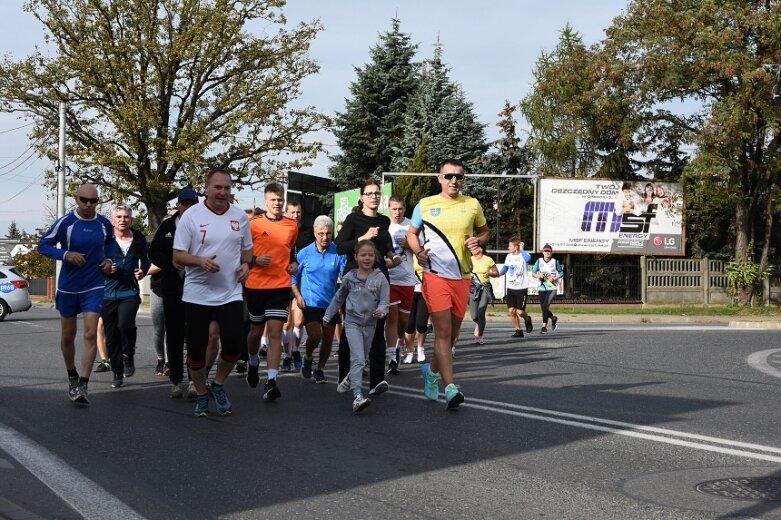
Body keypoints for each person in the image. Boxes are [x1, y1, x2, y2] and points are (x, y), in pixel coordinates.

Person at [406, 159, 489, 410]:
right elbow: (411, 233)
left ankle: (430, 372)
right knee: (442, 332)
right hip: (435, 277)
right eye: (449, 176)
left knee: (451, 335)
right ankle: (451, 387)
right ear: (439, 178)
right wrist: (418, 251)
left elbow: (485, 232)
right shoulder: (426, 204)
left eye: (459, 177)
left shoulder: (472, 204)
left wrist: (478, 241)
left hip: (462, 277)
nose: (454, 180)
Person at [172, 170, 253, 416]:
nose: (223, 193)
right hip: (197, 294)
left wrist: (246, 265)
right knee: (196, 350)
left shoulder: (240, 216)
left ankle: (217, 384)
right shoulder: (192, 216)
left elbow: (247, 249)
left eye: (227, 188)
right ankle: (201, 393)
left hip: (229, 292)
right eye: (218, 187)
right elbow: (177, 256)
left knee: (233, 346)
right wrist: (199, 261)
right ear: (206, 189)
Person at [38, 183, 114, 404]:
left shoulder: (103, 224)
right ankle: (72, 374)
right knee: (68, 335)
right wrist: (66, 254)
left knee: (91, 333)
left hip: (94, 284)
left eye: (93, 201)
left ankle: (83, 384)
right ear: (76, 199)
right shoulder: (66, 223)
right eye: (84, 200)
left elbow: (110, 243)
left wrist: (109, 260)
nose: (89, 205)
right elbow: (43, 245)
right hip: (69, 287)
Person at [335, 180, 401, 397]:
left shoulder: (383, 220)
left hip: (378, 279)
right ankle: (345, 374)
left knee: (377, 329)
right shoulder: (354, 219)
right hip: (355, 281)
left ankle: (377, 380)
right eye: (369, 193)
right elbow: (340, 247)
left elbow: (387, 246)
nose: (374, 197)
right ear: (362, 197)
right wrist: (364, 237)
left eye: (377, 193)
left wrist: (394, 256)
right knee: (351, 329)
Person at [244, 182, 298, 401]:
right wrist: (256, 260)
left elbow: (290, 250)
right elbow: (242, 253)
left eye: (280, 199)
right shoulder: (253, 225)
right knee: (256, 332)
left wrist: (293, 262)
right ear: (265, 201)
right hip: (256, 285)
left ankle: (272, 381)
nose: (277, 203)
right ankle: (253, 360)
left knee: (275, 331)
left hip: (280, 285)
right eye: (273, 200)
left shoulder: (291, 225)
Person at [323, 240, 389, 413]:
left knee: (363, 358)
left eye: (370, 255)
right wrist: (328, 315)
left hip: (370, 324)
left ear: (375, 257)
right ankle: (357, 396)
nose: (367, 258)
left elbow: (385, 301)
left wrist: (381, 311)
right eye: (363, 255)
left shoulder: (380, 278)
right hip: (352, 322)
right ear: (356, 257)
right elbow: (339, 298)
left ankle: (350, 377)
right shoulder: (349, 278)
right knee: (358, 358)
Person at [149, 187, 199, 398]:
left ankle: (195, 381)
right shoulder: (168, 226)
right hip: (172, 288)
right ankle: (176, 380)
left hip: (197, 288)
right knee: (175, 334)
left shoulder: (203, 226)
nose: (188, 208)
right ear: (178, 205)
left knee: (195, 336)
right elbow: (153, 252)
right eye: (184, 203)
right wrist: (170, 263)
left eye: (192, 204)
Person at [291, 215, 346, 383]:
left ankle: (320, 369)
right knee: (315, 336)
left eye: (328, 233)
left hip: (330, 303)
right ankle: (308, 357)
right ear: (315, 232)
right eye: (321, 233)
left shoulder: (337, 252)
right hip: (311, 303)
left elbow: (344, 278)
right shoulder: (304, 253)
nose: (325, 237)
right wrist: (298, 296)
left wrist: (340, 301)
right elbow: (293, 278)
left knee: (328, 338)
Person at [102, 205, 150, 388]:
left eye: (126, 217)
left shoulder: (138, 238)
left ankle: (128, 355)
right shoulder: (105, 239)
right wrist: (104, 268)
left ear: (131, 219)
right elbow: (95, 261)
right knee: (111, 334)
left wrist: (143, 271)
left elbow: (146, 259)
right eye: (119, 217)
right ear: (113, 220)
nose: (123, 219)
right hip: (107, 292)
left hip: (129, 291)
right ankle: (117, 371)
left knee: (125, 324)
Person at [385, 195, 420, 374]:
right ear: (388, 208)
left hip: (407, 279)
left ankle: (397, 343)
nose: (397, 212)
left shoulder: (411, 226)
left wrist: (410, 244)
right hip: (389, 278)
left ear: (405, 209)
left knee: (403, 321)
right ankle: (391, 357)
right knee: (391, 316)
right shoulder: (384, 225)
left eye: (400, 209)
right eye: (394, 208)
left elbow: (420, 249)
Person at [281, 200, 309, 372]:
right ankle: (286, 356)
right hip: (284, 280)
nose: (295, 215)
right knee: (286, 323)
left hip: (302, 281)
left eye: (298, 212)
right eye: (292, 212)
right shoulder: (282, 230)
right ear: (286, 213)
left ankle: (296, 350)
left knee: (298, 321)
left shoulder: (307, 232)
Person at [500, 237, 533, 338]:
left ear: (516, 247)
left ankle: (527, 319)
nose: (508, 247)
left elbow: (528, 259)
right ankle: (518, 330)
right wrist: (498, 273)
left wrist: (521, 249)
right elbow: (505, 268)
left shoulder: (524, 255)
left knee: (519, 311)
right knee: (511, 311)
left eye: (510, 246)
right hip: (511, 288)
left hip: (521, 288)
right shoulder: (509, 256)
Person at [469, 246, 500, 345]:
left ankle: (480, 336)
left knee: (481, 312)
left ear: (480, 249)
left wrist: (490, 273)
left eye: (474, 248)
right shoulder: (470, 259)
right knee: (474, 316)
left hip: (485, 288)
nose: (472, 249)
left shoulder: (488, 259)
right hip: (474, 288)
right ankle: (479, 324)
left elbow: (496, 273)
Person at [531, 243, 564, 334]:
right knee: (543, 308)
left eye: (549, 251)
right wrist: (539, 275)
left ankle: (544, 327)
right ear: (543, 252)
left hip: (552, 287)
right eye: (545, 251)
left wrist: (554, 278)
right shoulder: (539, 261)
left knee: (545, 306)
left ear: (551, 252)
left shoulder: (555, 262)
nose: (547, 252)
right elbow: (533, 273)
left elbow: (561, 273)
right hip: (542, 287)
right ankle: (553, 318)